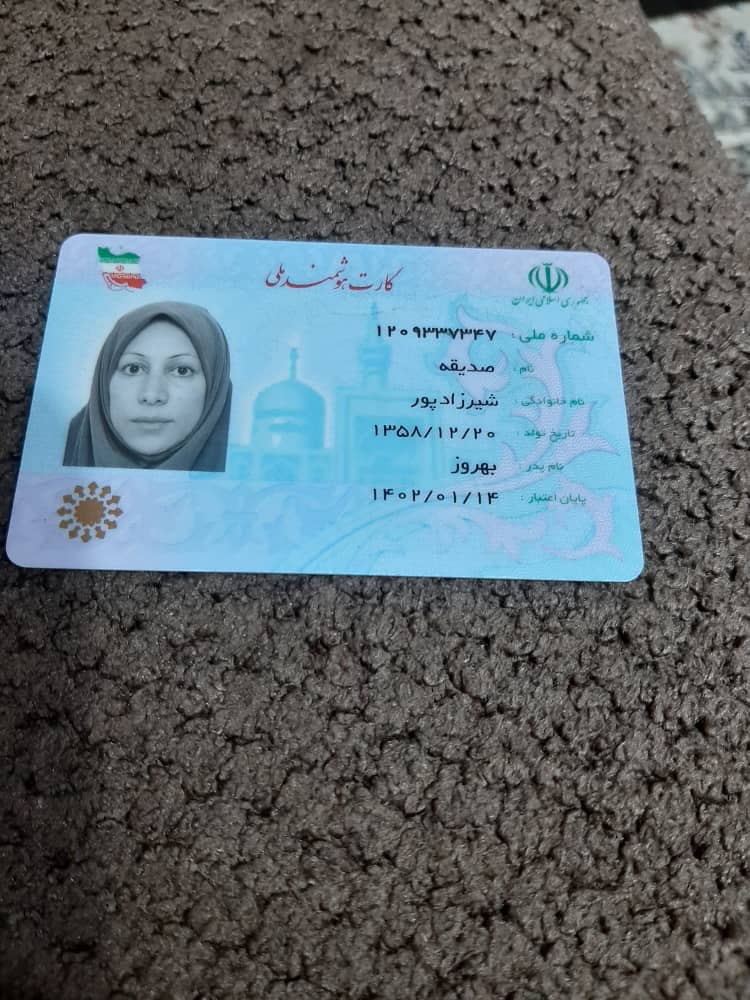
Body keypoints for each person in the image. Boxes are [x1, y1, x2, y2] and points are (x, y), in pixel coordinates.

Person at [63, 302, 232, 471]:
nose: (151, 395)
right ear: (104, 380)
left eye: (182, 370)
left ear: (214, 388)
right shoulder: (67, 445)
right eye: (133, 369)